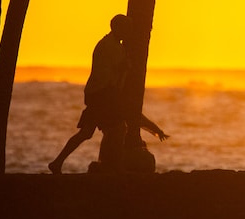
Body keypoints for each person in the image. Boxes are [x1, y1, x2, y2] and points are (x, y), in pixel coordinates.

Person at [49, 15, 168, 174]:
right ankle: (115, 167)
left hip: (99, 94)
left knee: (87, 133)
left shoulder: (113, 46)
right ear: (118, 29)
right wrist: (123, 68)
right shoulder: (108, 47)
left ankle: (58, 162)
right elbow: (105, 74)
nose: (129, 33)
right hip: (102, 95)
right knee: (117, 129)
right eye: (126, 29)